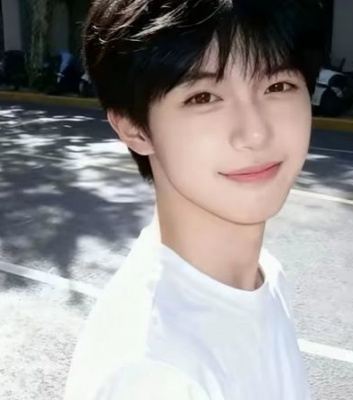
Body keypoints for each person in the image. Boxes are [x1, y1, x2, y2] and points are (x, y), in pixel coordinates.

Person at [64, 0, 325, 399]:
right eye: (203, 97)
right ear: (134, 128)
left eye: (277, 86)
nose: (255, 133)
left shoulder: (265, 277)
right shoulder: (152, 374)